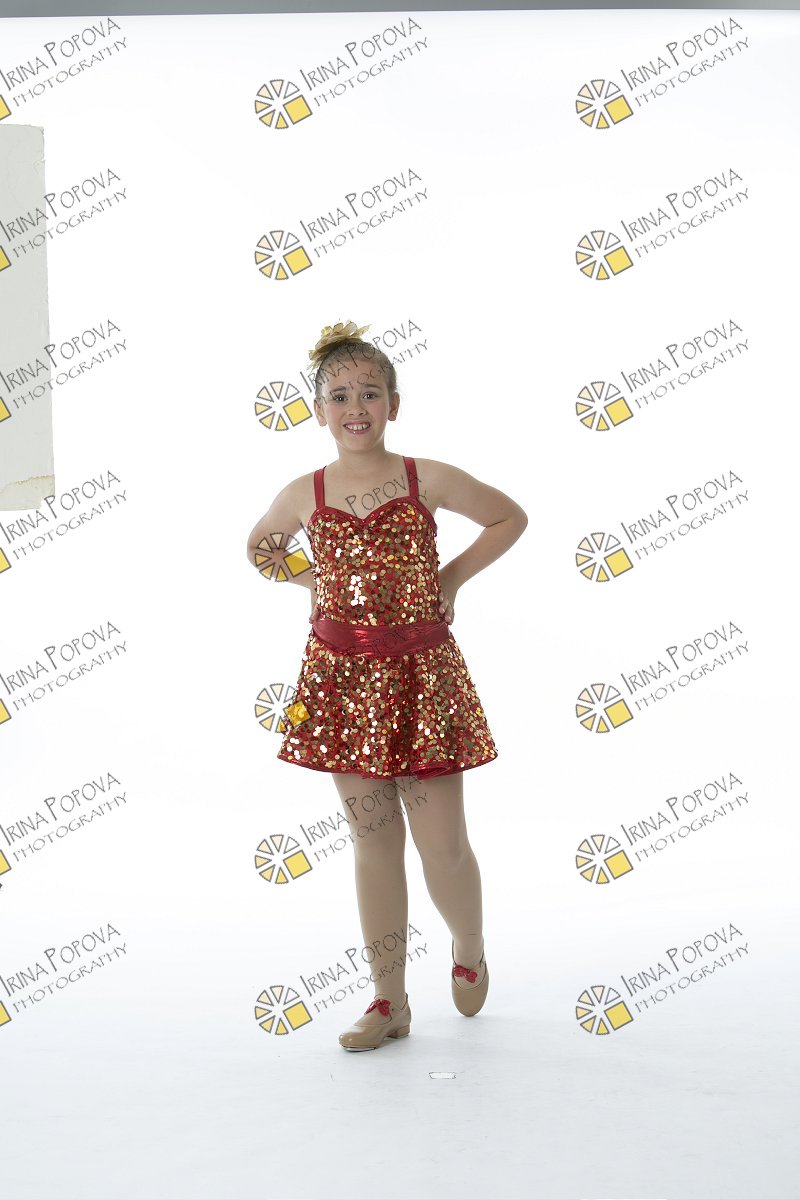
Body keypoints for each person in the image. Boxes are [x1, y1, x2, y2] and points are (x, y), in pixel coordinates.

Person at [246, 320, 528, 1051]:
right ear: (319, 411)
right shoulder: (304, 492)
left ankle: (469, 945)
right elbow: (261, 548)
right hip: (343, 683)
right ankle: (389, 1001)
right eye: (340, 395)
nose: (356, 407)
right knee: (373, 843)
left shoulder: (423, 477)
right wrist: (314, 582)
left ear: (394, 404)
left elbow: (508, 517)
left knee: (444, 847)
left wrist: (450, 579)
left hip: (421, 677)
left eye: (370, 392)